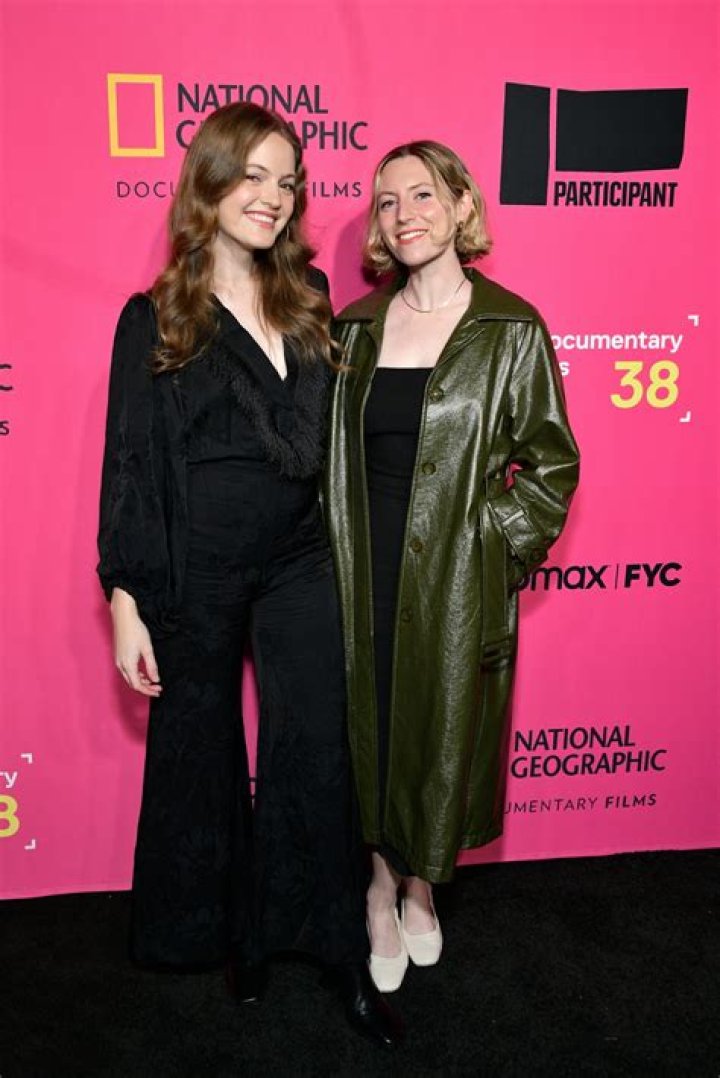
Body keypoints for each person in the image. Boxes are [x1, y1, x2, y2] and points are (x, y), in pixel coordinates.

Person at [97, 102, 401, 1048]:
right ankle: (237, 935)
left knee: (316, 747)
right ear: (211, 182)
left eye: (287, 181)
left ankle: (336, 948)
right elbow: (131, 462)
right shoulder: (158, 314)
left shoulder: (309, 295)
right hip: (199, 566)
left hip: (302, 559)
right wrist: (126, 599)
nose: (272, 197)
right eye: (254, 176)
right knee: (200, 748)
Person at [324, 140, 580, 992]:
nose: (405, 215)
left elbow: (551, 466)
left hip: (455, 578)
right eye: (387, 201)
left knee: (435, 731)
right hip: (360, 567)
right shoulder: (354, 327)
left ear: (462, 205)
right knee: (369, 727)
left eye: (424, 195)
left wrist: (491, 547)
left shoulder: (511, 327)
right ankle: (378, 886)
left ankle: (420, 886)